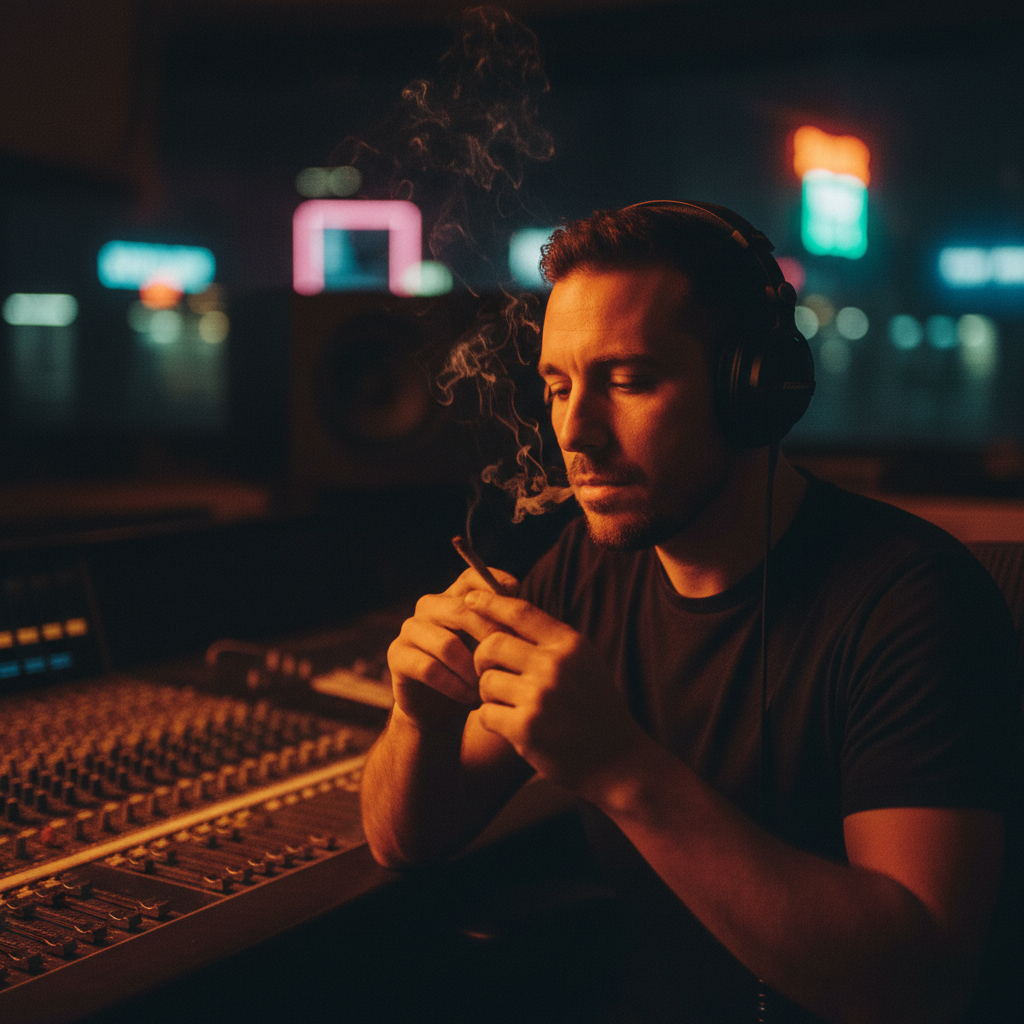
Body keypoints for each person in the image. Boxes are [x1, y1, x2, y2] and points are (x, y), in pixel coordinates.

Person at [360, 202, 1021, 1023]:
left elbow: (922, 989)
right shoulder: (583, 567)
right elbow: (406, 839)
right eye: (558, 386)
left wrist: (622, 770)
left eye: (628, 380)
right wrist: (420, 718)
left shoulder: (913, 602)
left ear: (754, 387)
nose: (576, 431)